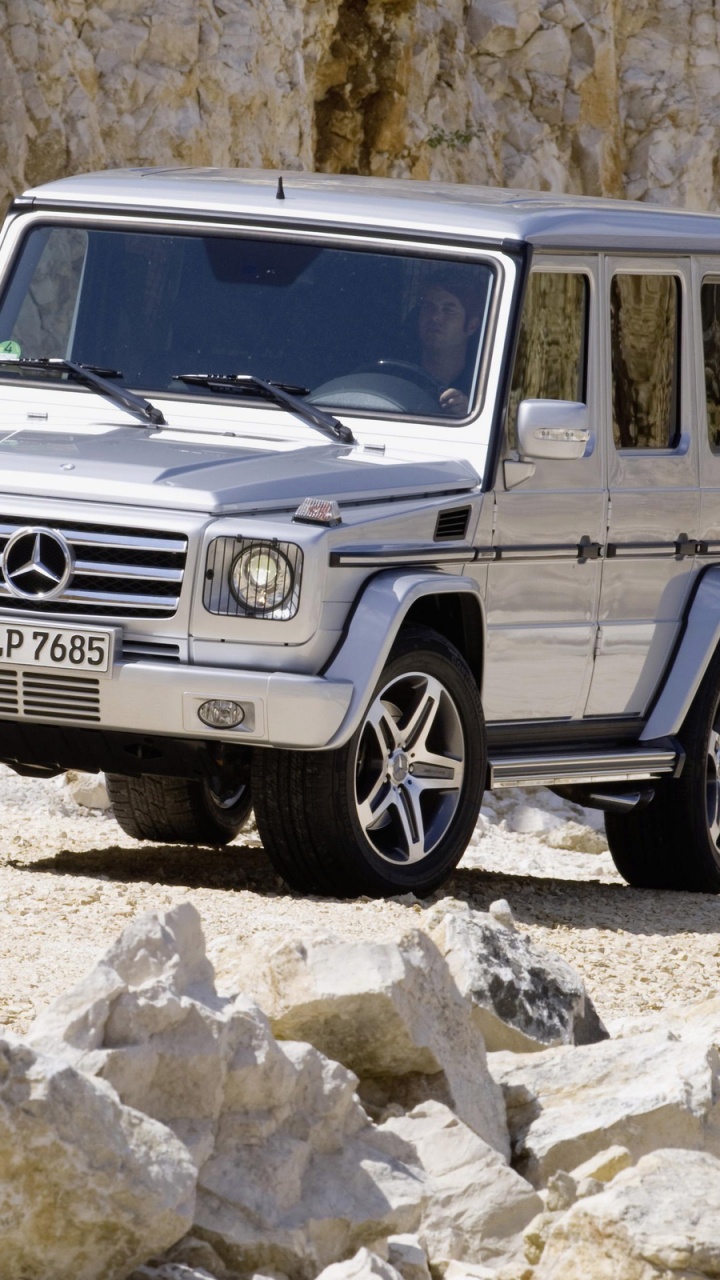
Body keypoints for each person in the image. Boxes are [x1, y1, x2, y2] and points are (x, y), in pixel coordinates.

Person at [417, 275, 482, 416]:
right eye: (428, 307)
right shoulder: (395, 373)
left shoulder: (482, 387)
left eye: (449, 311)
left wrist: (467, 411)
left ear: (471, 326)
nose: (435, 317)